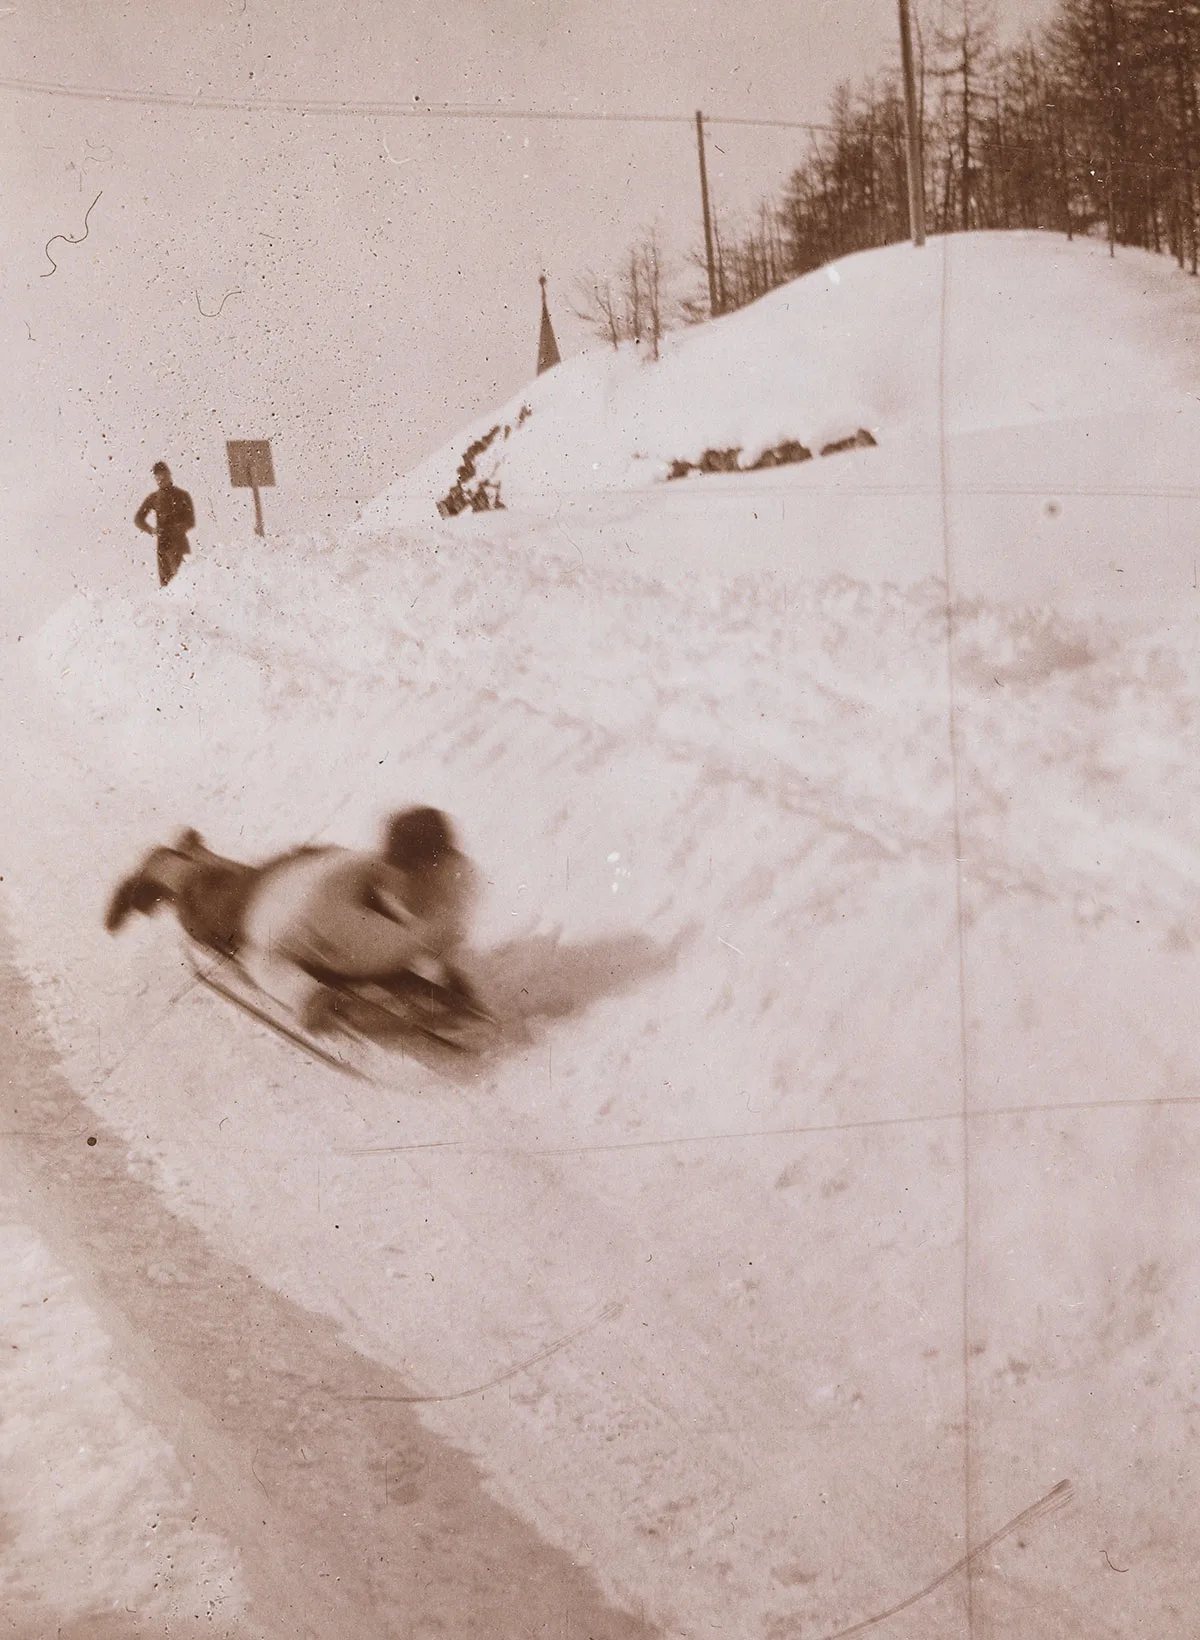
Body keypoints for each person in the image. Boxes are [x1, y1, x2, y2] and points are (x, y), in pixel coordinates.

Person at [105, 809, 480, 1032]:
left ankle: (198, 854)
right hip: (267, 905)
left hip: (311, 871)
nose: (427, 885)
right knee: (205, 906)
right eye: (412, 874)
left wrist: (444, 970)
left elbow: (438, 929)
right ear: (394, 865)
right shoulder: (309, 911)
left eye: (432, 871)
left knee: (250, 879)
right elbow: (263, 959)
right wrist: (312, 1000)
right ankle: (166, 865)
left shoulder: (455, 878)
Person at [134, 461, 195, 586]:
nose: (161, 480)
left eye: (164, 476)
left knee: (184, 581)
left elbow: (190, 521)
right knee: (167, 585)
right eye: (158, 477)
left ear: (169, 475)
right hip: (163, 545)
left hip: (179, 544)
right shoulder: (155, 498)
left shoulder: (182, 495)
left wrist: (179, 528)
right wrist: (151, 530)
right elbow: (138, 518)